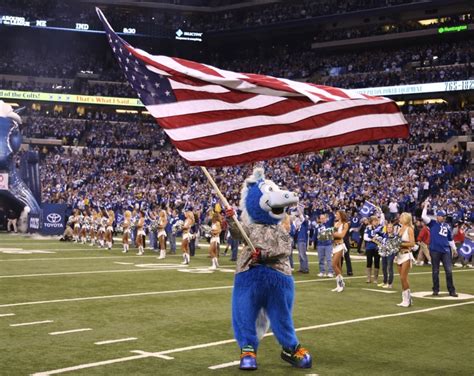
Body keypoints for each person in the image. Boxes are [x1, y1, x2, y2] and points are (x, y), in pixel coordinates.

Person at [422, 201, 458, 297]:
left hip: (446, 250)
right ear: (437, 216)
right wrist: (425, 206)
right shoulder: (432, 223)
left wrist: (454, 249)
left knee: (449, 271)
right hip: (435, 250)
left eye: (443, 216)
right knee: (435, 271)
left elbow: (450, 239)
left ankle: (451, 290)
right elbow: (423, 217)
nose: (442, 217)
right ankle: (436, 289)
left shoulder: (447, 226)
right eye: (440, 216)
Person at [395, 213, 416, 307]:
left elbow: (412, 243)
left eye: (401, 217)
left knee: (404, 277)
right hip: (399, 255)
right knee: (401, 278)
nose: (400, 218)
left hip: (406, 255)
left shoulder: (409, 229)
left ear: (406, 219)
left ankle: (408, 300)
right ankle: (405, 300)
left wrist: (401, 244)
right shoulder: (400, 229)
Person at [331, 210, 349, 292]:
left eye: (337, 214)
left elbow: (342, 235)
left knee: (333, 264)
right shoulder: (336, 223)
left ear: (341, 215)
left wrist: (332, 234)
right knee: (338, 266)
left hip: (340, 246)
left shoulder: (345, 224)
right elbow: (334, 235)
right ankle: (339, 285)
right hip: (334, 246)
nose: (336, 215)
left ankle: (341, 284)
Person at [364, 213, 384, 284]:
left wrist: (379, 239)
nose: (376, 222)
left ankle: (375, 278)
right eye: (375, 221)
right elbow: (365, 237)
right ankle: (368, 278)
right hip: (369, 247)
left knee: (377, 262)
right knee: (369, 262)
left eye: (377, 221)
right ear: (372, 221)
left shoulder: (380, 228)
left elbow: (383, 237)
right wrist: (372, 239)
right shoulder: (368, 228)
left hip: (377, 247)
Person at [314, 213, 334, 278]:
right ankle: (322, 271)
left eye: (323, 218)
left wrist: (330, 211)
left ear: (325, 219)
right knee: (320, 259)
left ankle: (330, 272)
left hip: (328, 244)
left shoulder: (328, 224)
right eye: (321, 218)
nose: (322, 219)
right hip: (320, 245)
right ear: (319, 219)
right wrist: (313, 241)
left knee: (329, 259)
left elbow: (333, 217)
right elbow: (315, 235)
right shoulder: (318, 226)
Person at [295, 208, 310, 274]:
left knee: (302, 254)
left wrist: (299, 210)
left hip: (302, 240)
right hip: (299, 240)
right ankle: (302, 268)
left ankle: (305, 269)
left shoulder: (305, 223)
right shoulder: (300, 225)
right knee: (300, 255)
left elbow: (302, 217)